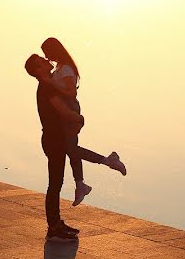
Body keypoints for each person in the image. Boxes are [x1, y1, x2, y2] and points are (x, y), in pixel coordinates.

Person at [40, 38, 126, 207]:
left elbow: (71, 93)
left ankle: (108, 161)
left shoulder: (65, 69)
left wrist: (51, 84)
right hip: (66, 113)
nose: (46, 56)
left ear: (54, 50)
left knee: (71, 148)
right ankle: (80, 184)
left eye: (47, 52)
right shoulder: (60, 68)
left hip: (70, 110)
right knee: (72, 150)